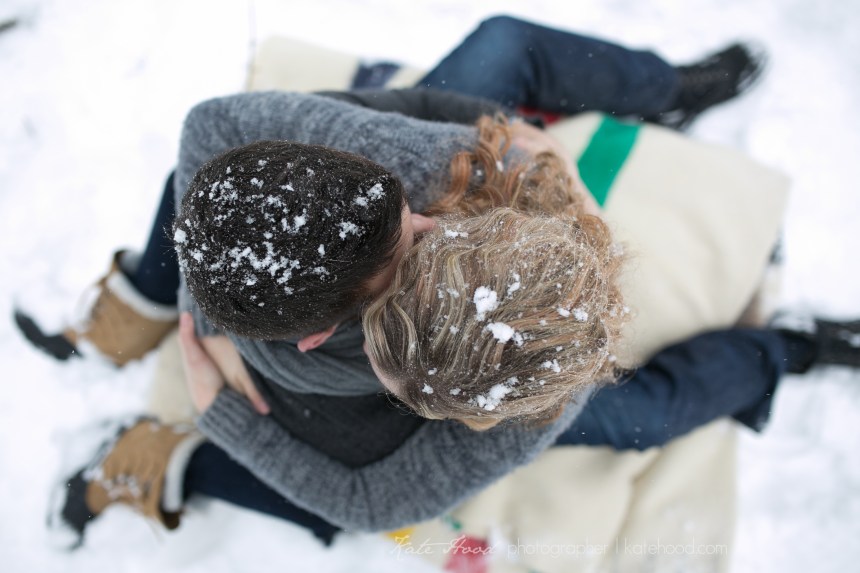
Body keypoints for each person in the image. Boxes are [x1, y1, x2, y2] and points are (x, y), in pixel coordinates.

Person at [14, 16, 782, 544]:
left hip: (463, 273)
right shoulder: (434, 389)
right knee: (642, 409)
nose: (430, 218)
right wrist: (218, 394)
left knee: (503, 44)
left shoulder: (407, 179)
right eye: (414, 239)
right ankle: (781, 354)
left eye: (425, 225)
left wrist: (520, 159)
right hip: (479, 362)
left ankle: (667, 88)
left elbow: (222, 136)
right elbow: (370, 502)